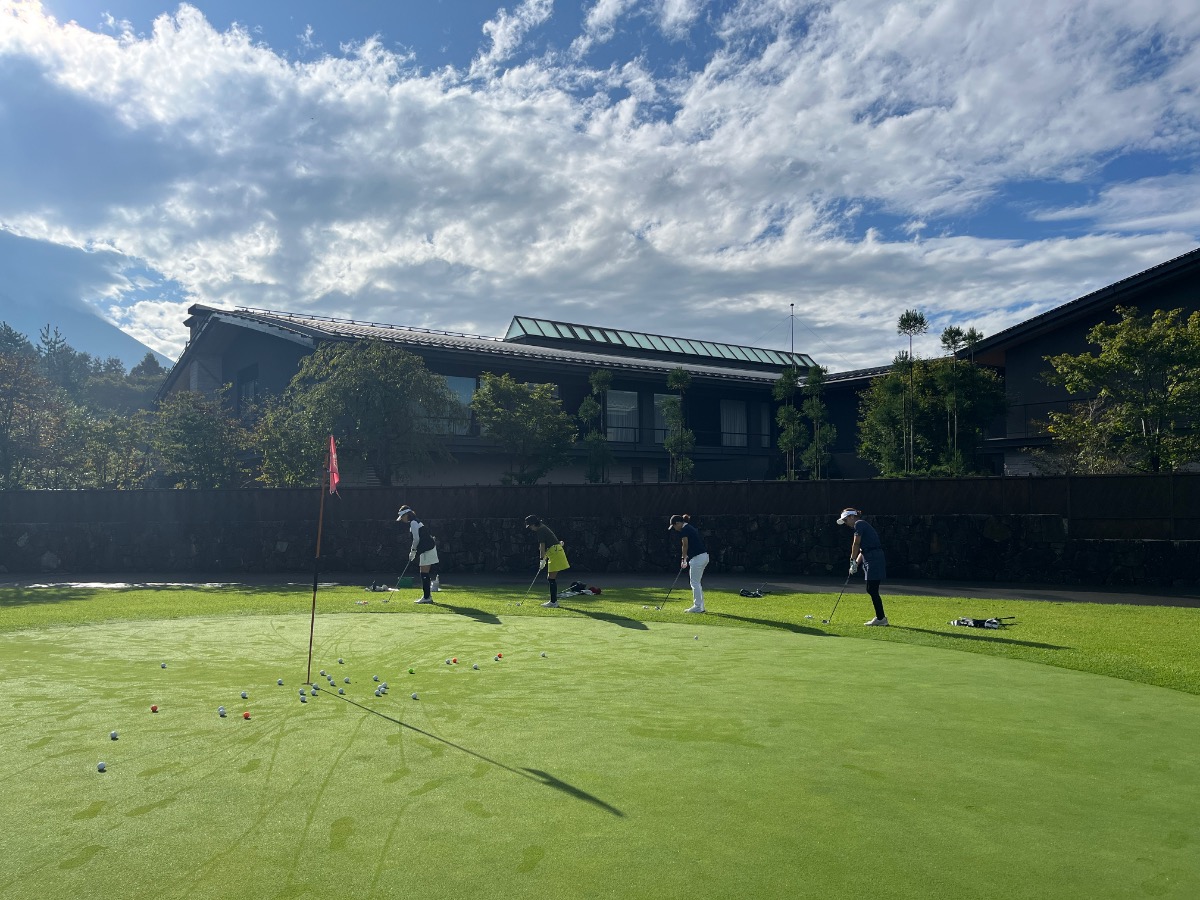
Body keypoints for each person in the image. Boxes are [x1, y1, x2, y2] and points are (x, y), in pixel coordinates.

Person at [836, 508, 888, 626]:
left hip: (874, 558)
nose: (845, 523)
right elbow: (862, 550)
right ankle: (881, 618)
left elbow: (856, 543)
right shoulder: (860, 525)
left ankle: (881, 618)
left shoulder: (859, 524)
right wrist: (855, 564)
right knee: (871, 589)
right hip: (869, 557)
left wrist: (852, 561)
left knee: (871, 589)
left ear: (852, 517)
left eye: (845, 520)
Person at [524, 515, 569, 607]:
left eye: (530, 526)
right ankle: (553, 601)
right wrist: (544, 558)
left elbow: (542, 546)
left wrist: (541, 559)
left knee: (551, 578)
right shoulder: (543, 528)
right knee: (550, 578)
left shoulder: (540, 530)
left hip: (555, 553)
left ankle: (553, 602)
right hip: (554, 552)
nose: (530, 528)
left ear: (534, 524)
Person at [396, 506, 439, 603]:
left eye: (402, 516)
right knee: (424, 572)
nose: (402, 519)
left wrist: (413, 551)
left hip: (427, 549)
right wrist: (414, 552)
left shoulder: (413, 523)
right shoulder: (415, 521)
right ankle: (427, 596)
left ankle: (427, 597)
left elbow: (416, 539)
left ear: (407, 514)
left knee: (424, 573)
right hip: (428, 548)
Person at [669, 513, 709, 613]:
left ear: (678, 523)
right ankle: (700, 606)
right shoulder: (689, 528)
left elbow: (685, 545)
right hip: (703, 556)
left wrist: (683, 558)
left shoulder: (684, 530)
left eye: (674, 526)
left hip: (698, 558)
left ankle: (698, 607)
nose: (675, 529)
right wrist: (686, 558)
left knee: (694, 582)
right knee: (696, 582)